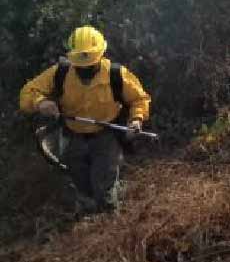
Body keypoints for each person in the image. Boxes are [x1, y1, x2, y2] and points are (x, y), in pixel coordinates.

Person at [19, 25, 150, 214]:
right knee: (81, 183)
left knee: (104, 189)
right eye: (80, 65)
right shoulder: (60, 73)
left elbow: (139, 99)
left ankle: (109, 224)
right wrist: (40, 102)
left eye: (90, 64)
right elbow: (27, 93)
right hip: (73, 138)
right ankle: (87, 217)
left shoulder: (116, 74)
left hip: (106, 137)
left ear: (100, 56)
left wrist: (136, 119)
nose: (85, 68)